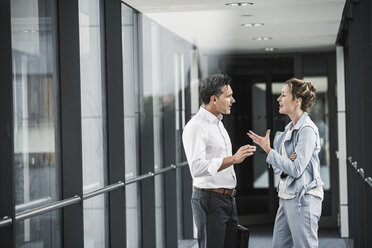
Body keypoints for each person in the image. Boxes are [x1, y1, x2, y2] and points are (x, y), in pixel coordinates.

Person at [247, 78, 324, 248]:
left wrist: (269, 151)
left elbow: (296, 170)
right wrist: (284, 163)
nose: (278, 99)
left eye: (283, 95)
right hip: (285, 197)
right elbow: (279, 168)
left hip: (303, 200)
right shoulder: (288, 129)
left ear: (298, 101)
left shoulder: (307, 130)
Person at [182, 74, 256, 248]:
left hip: (228, 199)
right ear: (214, 99)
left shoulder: (218, 123)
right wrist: (233, 159)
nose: (233, 100)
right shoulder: (196, 126)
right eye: (228, 96)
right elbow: (196, 168)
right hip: (209, 199)